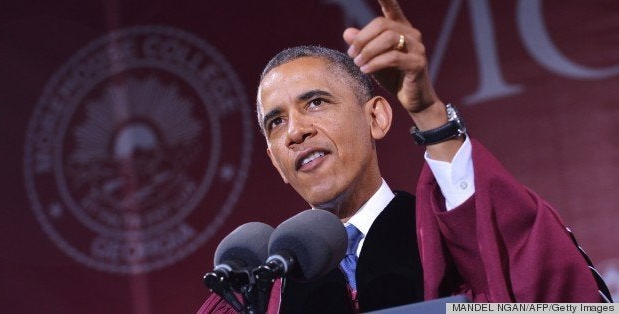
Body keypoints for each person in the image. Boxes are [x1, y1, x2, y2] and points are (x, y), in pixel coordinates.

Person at [200, 0, 611, 312]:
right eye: (275, 122)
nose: (295, 131)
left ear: (377, 117)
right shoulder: (258, 291)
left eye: (316, 103)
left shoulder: (450, 240)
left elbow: (543, 288)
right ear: (275, 162)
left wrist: (430, 114)